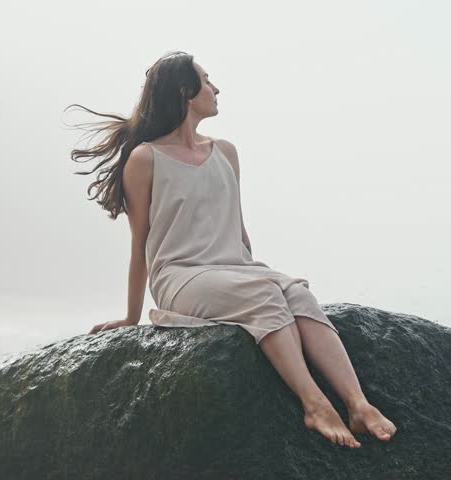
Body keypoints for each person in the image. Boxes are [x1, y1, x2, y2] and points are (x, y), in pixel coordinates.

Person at [67, 51, 396, 448]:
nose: (216, 87)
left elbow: (238, 231)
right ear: (186, 92)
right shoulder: (145, 159)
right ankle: (315, 405)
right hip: (181, 277)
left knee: (296, 292)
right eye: (207, 80)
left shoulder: (226, 152)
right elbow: (140, 246)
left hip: (235, 268)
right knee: (263, 295)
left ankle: (358, 404)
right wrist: (130, 316)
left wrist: (259, 269)